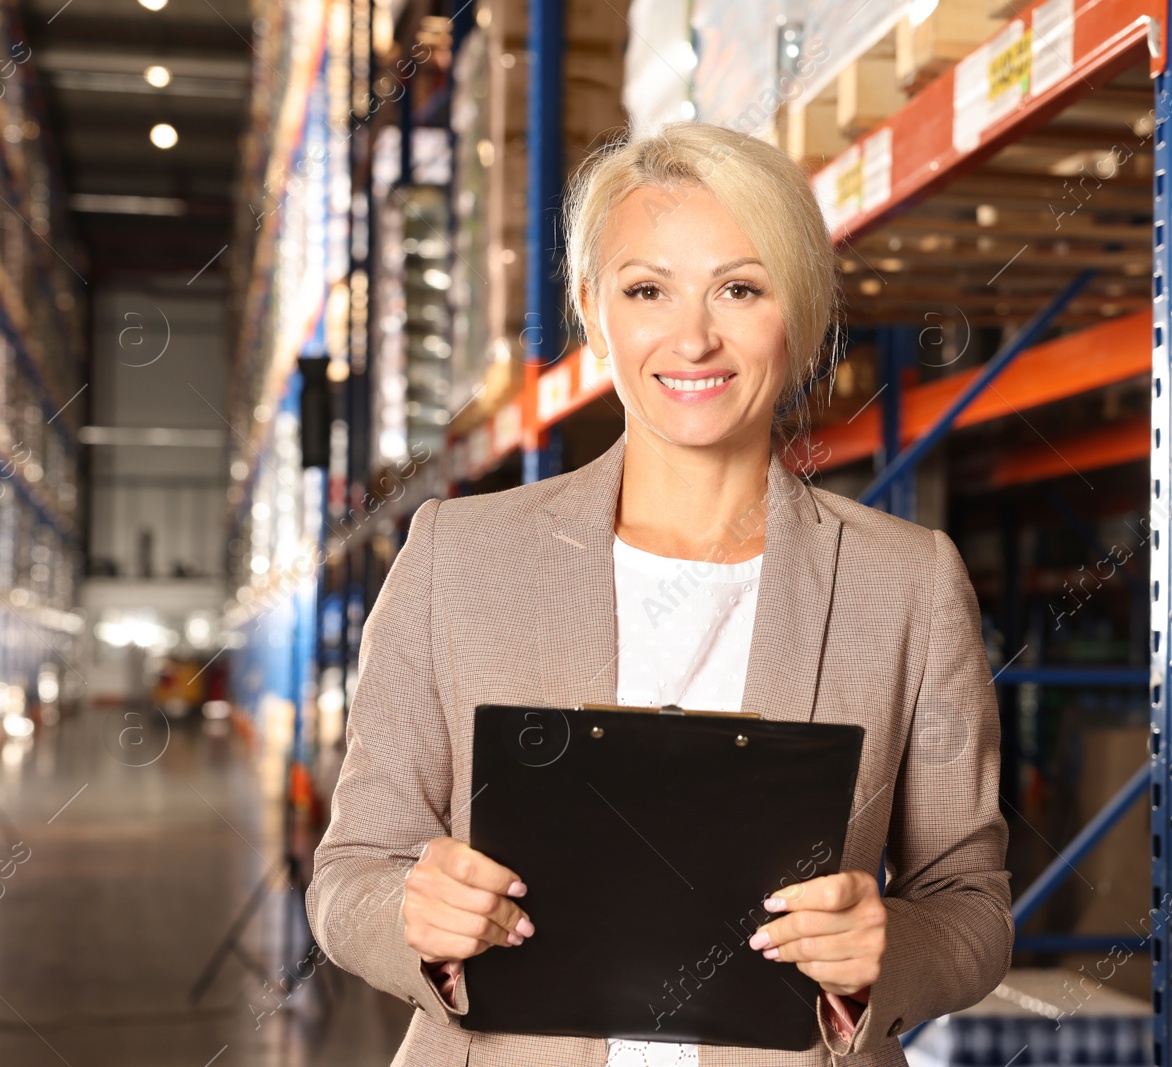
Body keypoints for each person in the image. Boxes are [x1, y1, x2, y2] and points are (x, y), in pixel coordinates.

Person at [306, 122, 1013, 1067]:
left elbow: (971, 904)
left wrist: (886, 948)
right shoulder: (457, 555)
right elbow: (349, 873)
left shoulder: (908, 584)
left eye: (740, 287)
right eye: (648, 290)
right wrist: (413, 916)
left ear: (796, 315)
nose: (693, 336)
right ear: (595, 314)